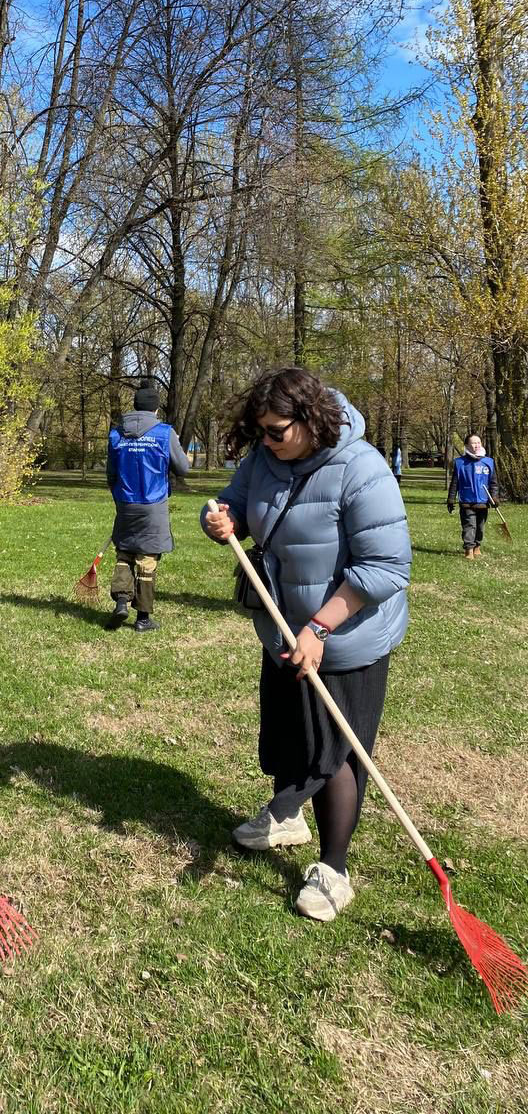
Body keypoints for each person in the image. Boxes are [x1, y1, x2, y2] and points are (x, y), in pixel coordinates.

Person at [201, 367, 410, 923]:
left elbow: (386, 566)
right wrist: (221, 520)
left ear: (310, 420)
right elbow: (237, 507)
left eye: (276, 431)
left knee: (334, 751)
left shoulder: (361, 468)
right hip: (282, 627)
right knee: (291, 735)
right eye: (259, 431)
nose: (266, 441)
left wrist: (320, 628)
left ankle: (334, 869)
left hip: (346, 637)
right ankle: (287, 817)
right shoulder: (264, 458)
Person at [106, 378, 190, 632]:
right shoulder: (164, 433)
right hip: (154, 504)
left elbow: (111, 475)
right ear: (155, 409)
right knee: (147, 558)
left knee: (124, 552)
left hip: (125, 503)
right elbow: (183, 468)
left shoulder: (116, 433)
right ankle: (143, 618)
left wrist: (120, 497)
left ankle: (121, 599)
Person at [447, 434, 498, 559]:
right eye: (473, 443)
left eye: (478, 442)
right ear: (467, 445)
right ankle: (469, 549)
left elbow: (494, 483)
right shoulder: (460, 463)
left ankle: (477, 546)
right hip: (467, 501)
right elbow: (455, 483)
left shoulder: (488, 462)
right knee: (469, 525)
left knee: (480, 526)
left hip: (483, 502)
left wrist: (494, 497)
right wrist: (451, 499)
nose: (476, 445)